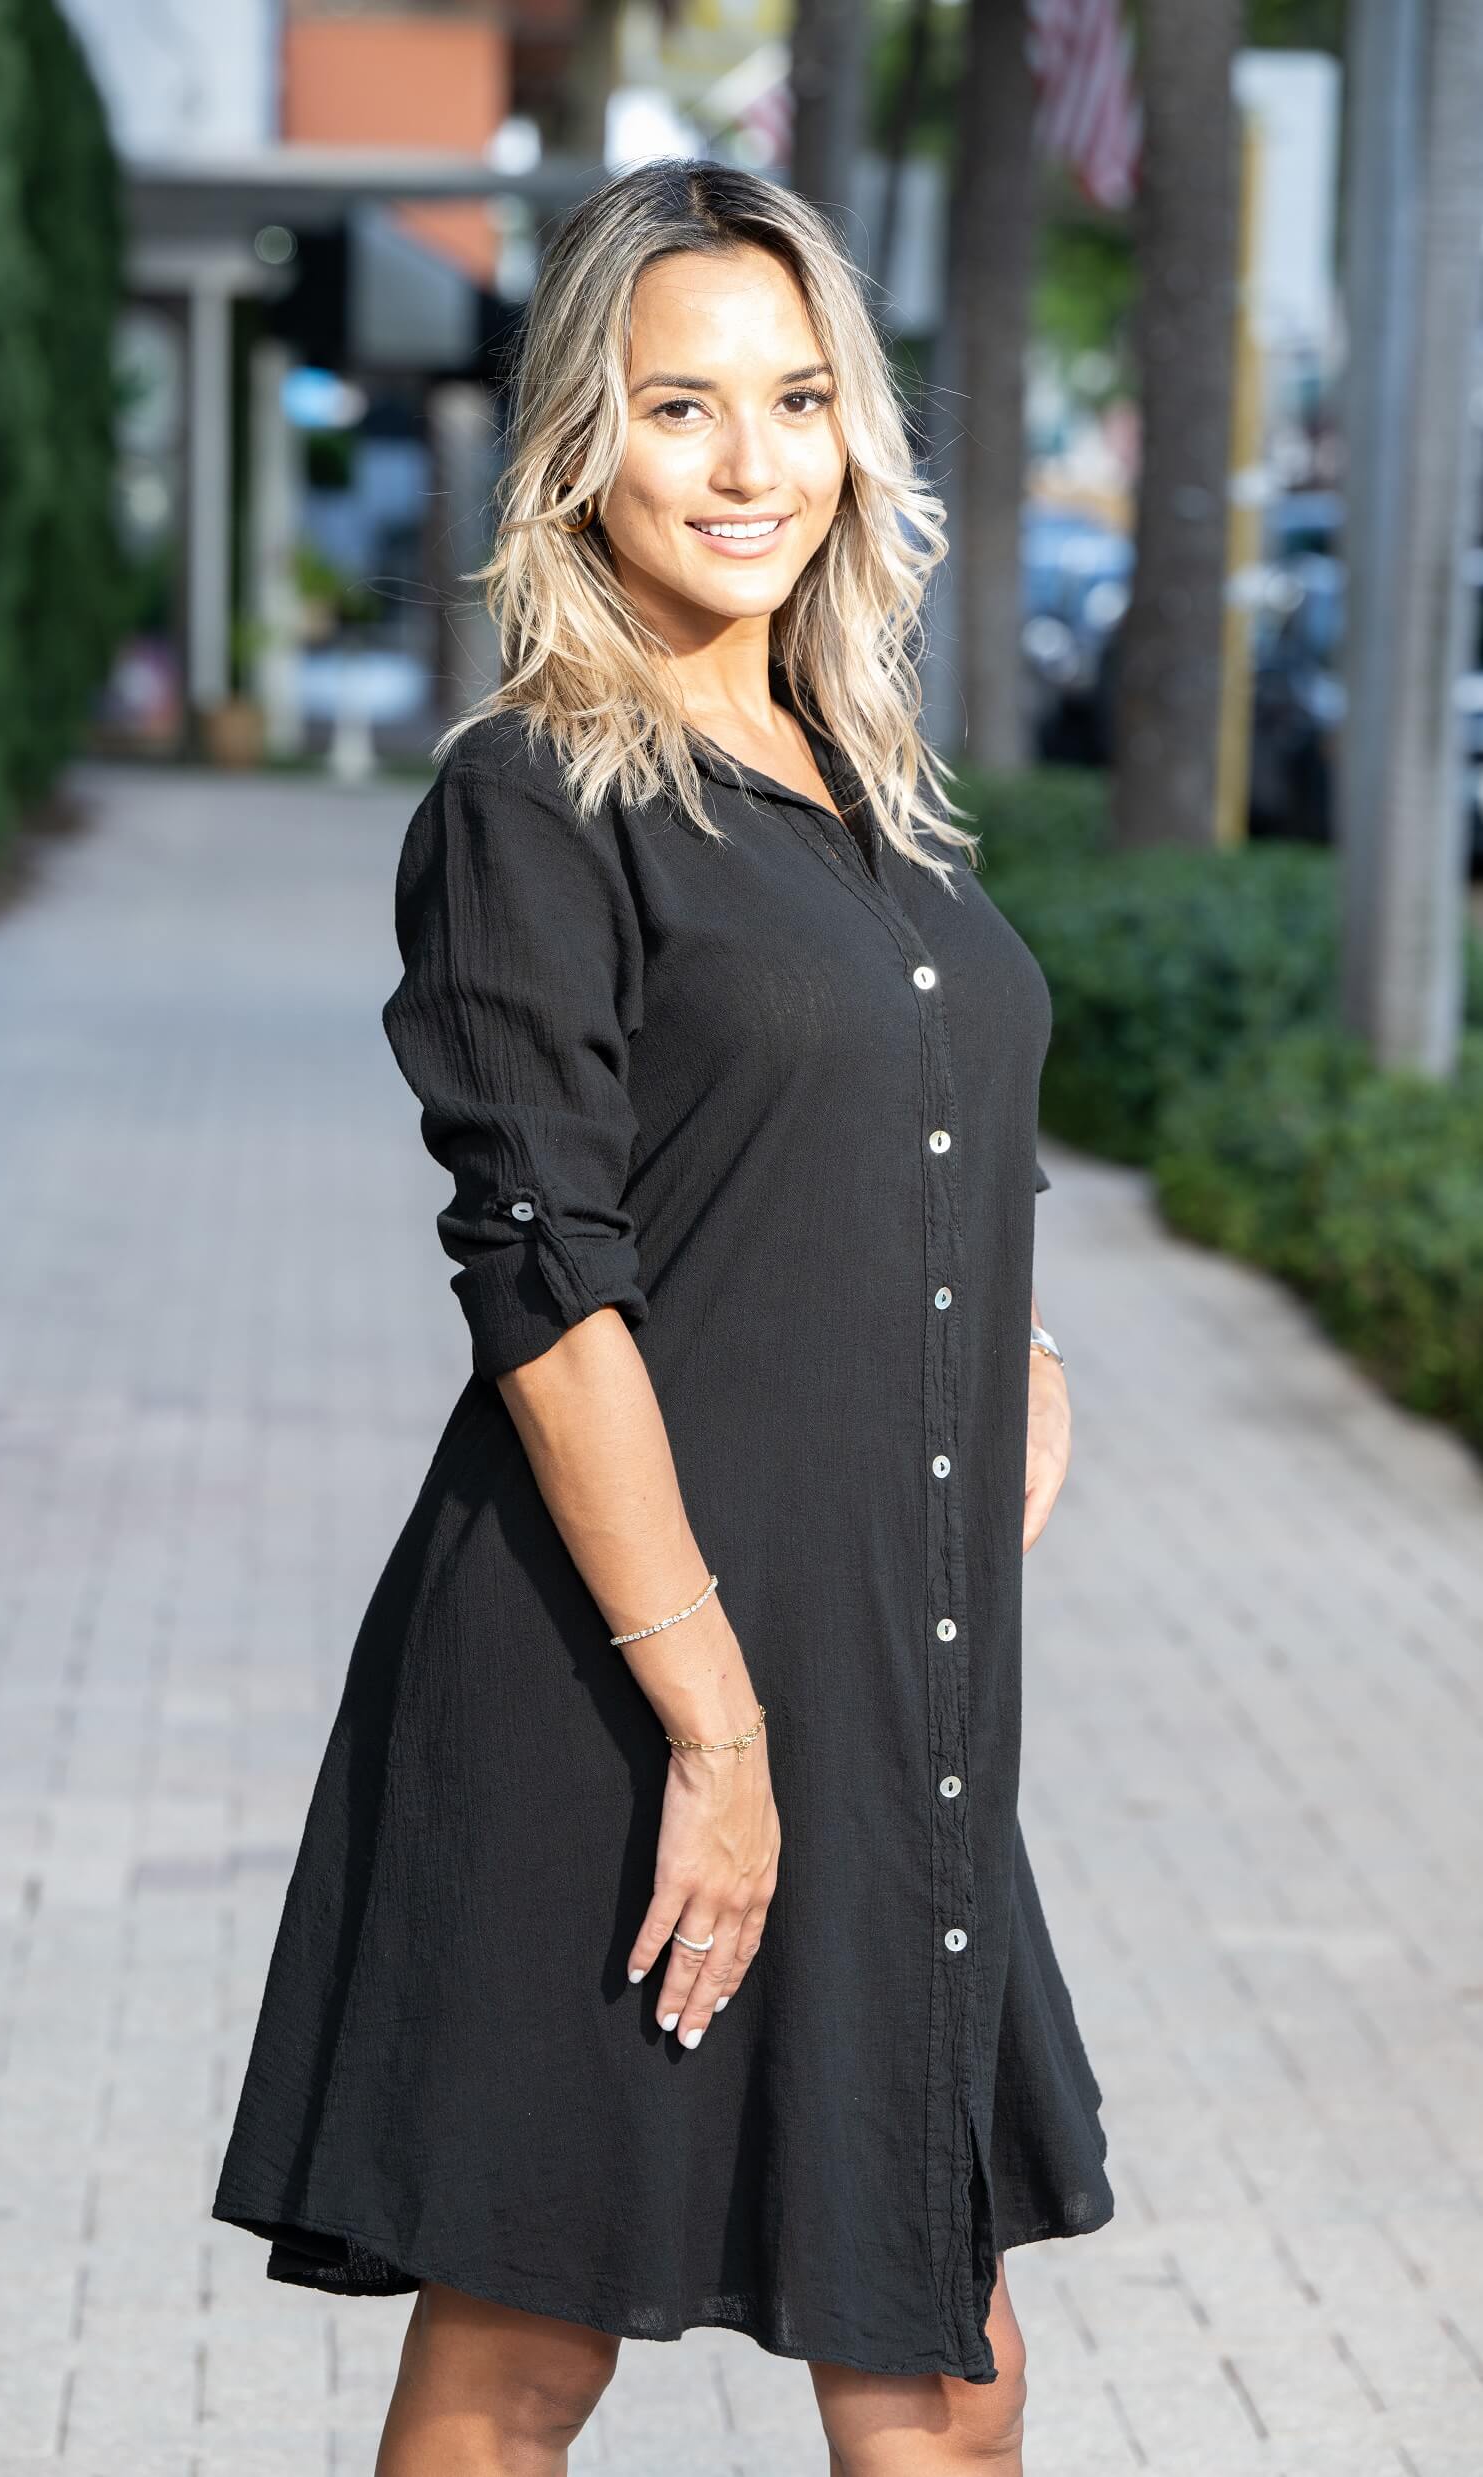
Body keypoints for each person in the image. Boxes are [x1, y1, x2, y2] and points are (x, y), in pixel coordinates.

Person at [211, 158, 1113, 2475]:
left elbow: (920, 1135)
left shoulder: (875, 800)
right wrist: (710, 1734)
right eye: (679, 407)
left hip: (888, 1668)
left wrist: (1013, 1348)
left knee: (942, 2359)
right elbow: (545, 1290)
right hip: (622, 1679)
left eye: (795, 400)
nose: (748, 465)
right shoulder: (536, 800)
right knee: (528, 2350)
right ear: (579, 448)